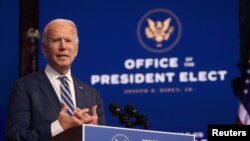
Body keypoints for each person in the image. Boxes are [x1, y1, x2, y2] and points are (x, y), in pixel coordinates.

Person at [4, 19, 106, 141]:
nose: (63, 46)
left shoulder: (92, 94)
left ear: (76, 50)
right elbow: (14, 138)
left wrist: (95, 132)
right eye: (56, 40)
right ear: (44, 49)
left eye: (68, 41)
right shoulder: (24, 87)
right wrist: (58, 126)